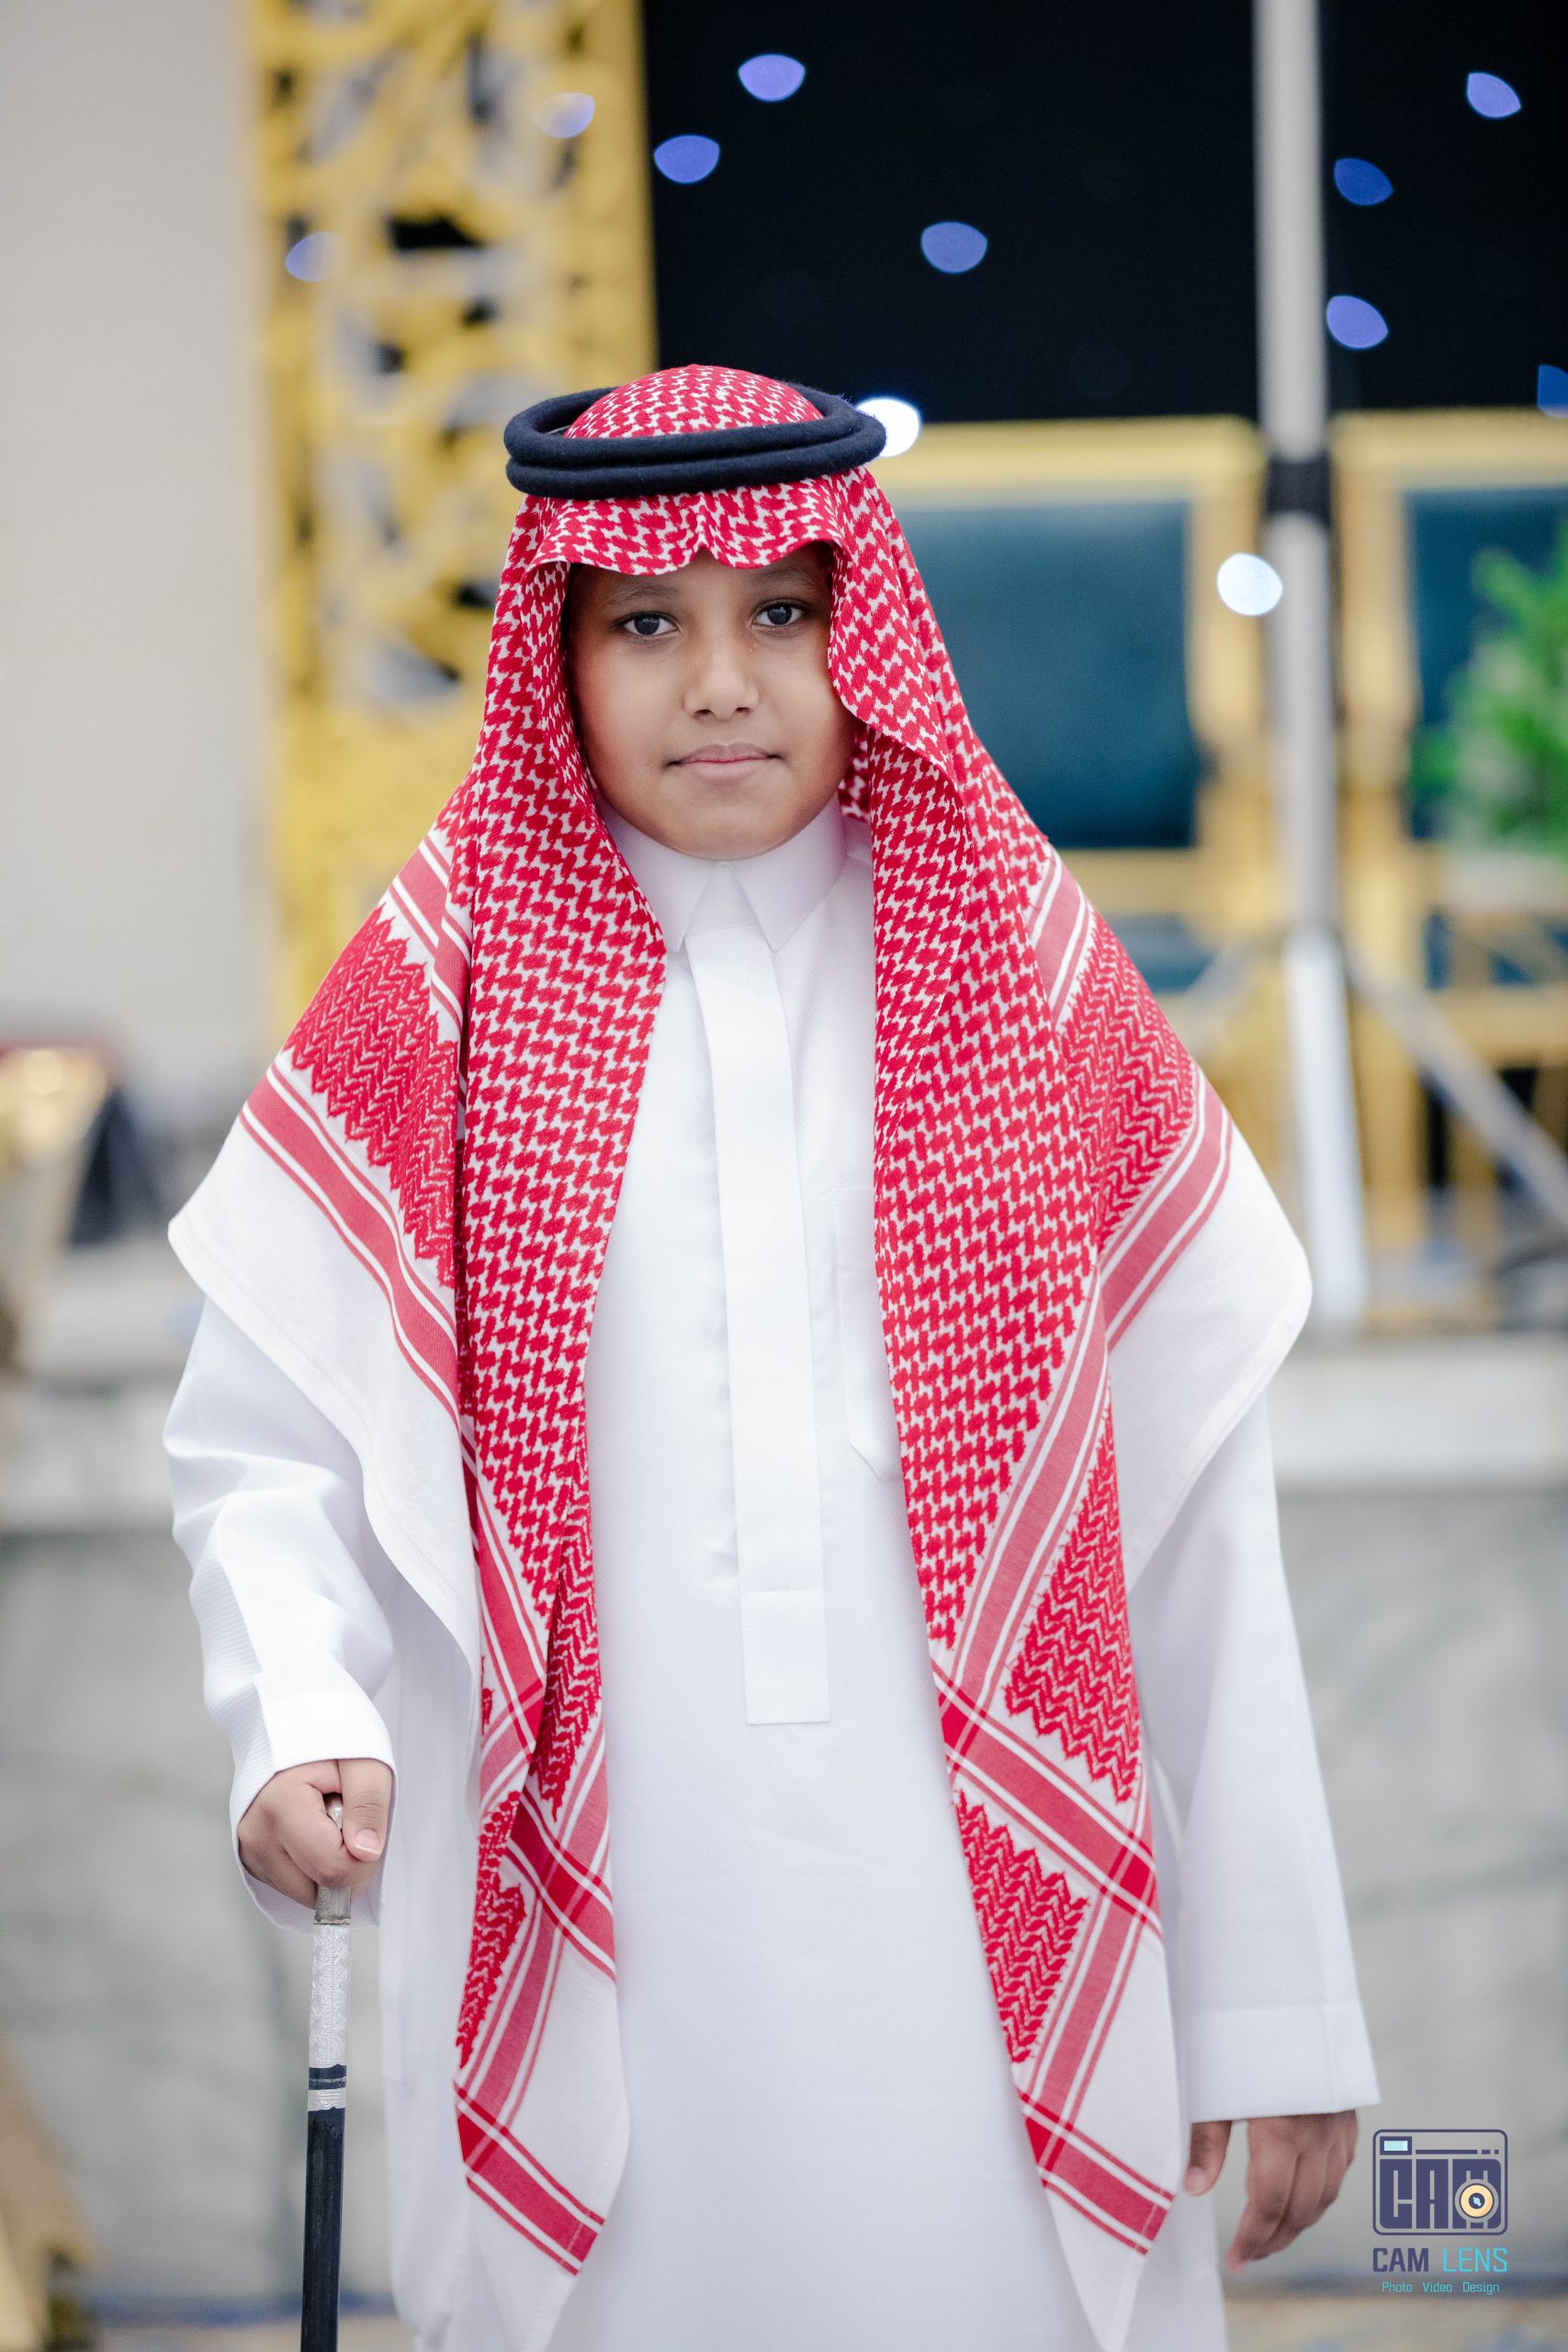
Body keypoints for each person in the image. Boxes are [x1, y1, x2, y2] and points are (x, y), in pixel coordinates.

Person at [163, 364, 1380, 2352]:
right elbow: (265, 1443)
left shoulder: (1025, 981)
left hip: (992, 1944)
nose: (720, 683)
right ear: (558, 652)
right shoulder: (434, 995)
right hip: (602, 1952)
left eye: (783, 614)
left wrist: (1272, 2004)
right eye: (647, 623)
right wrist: (295, 1707)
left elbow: (1194, 1538)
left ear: (859, 633)